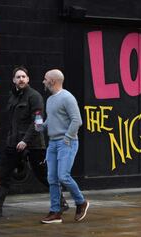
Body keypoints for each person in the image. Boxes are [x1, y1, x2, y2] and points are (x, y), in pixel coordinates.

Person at [0, 66, 68, 217]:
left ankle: (61, 202)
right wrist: (11, 140)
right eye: (18, 77)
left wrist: (26, 141)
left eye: (24, 77)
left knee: (43, 175)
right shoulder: (13, 97)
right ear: (13, 80)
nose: (21, 79)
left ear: (28, 79)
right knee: (3, 173)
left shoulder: (35, 96)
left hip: (33, 144)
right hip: (14, 143)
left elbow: (38, 123)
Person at [38, 69, 89, 224]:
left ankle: (81, 202)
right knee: (52, 178)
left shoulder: (67, 97)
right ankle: (55, 212)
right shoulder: (50, 100)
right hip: (52, 143)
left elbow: (77, 121)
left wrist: (67, 138)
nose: (43, 81)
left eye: (45, 79)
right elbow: (51, 120)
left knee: (63, 176)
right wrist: (41, 126)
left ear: (52, 81)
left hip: (67, 142)